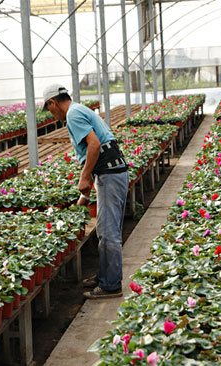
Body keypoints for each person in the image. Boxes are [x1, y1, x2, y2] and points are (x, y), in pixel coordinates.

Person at [42, 84, 129, 299]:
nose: (51, 115)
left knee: (109, 233)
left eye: (49, 109)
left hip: (109, 173)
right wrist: (85, 196)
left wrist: (84, 176)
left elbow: (94, 145)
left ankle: (111, 286)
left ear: (53, 103)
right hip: (109, 173)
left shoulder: (73, 114)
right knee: (104, 230)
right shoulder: (79, 109)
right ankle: (104, 277)